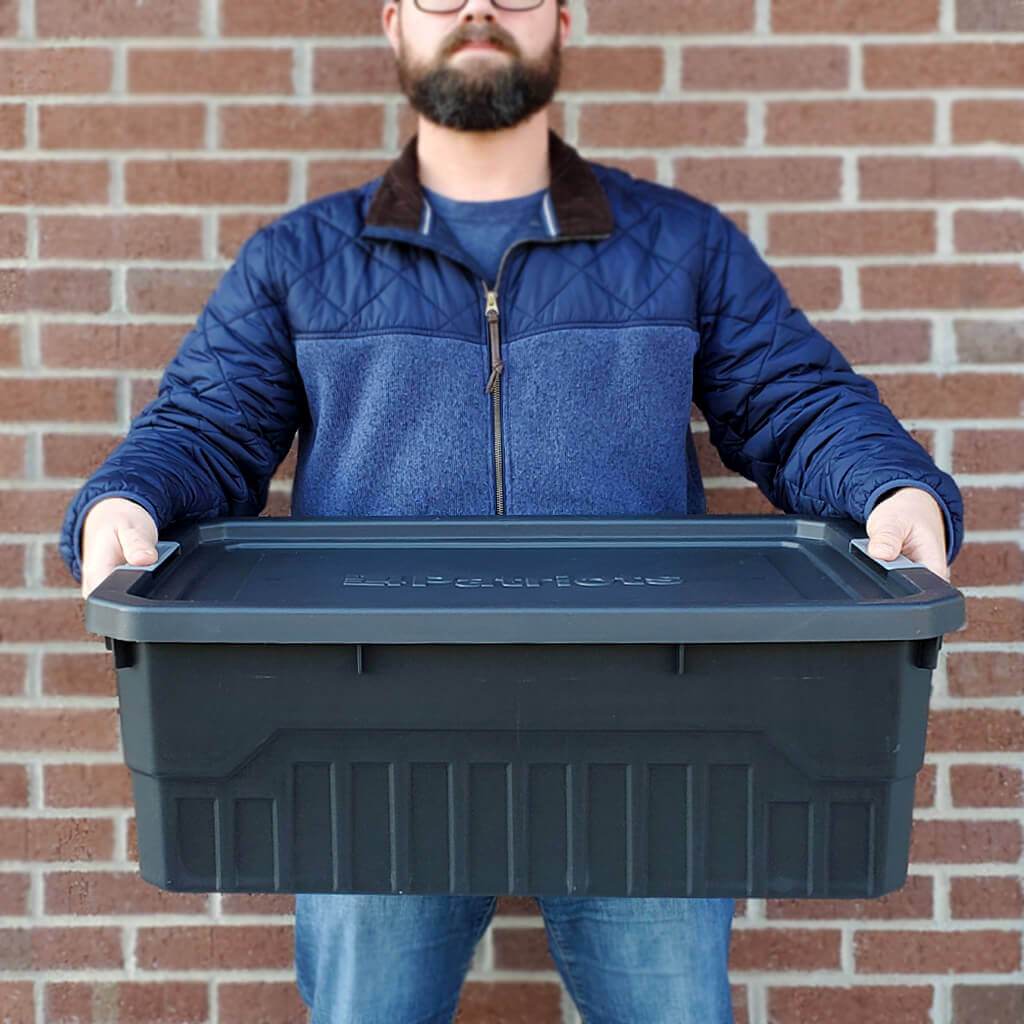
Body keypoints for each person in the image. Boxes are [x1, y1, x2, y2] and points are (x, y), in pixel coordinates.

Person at [60, 1, 963, 1021]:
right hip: (370, 744)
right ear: (394, 24)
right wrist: (125, 502)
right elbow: (205, 429)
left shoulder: (678, 246)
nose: (479, 9)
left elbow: (798, 405)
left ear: (563, 23)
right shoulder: (301, 263)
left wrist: (891, 490)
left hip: (650, 739)